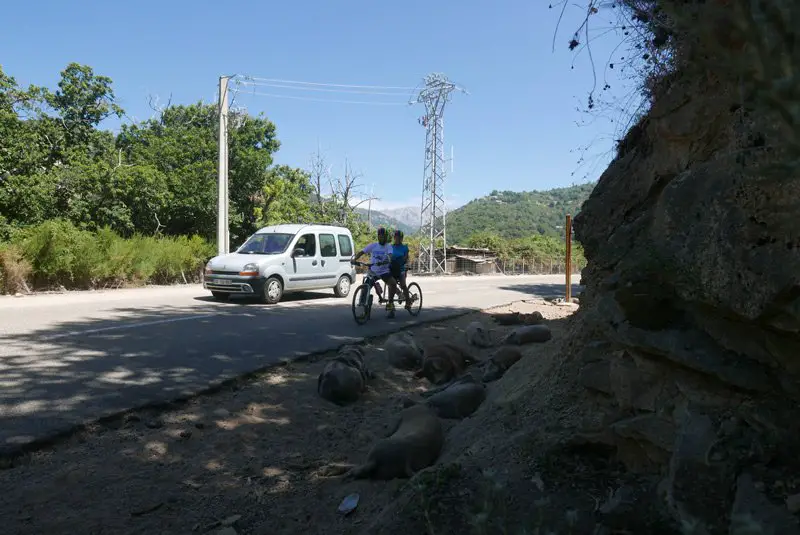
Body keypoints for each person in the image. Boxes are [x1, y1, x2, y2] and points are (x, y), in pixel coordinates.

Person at [351, 227, 403, 318]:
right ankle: (363, 310)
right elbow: (362, 252)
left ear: (386, 237)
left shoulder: (388, 246)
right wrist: (354, 259)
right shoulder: (373, 245)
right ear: (378, 237)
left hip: (384, 271)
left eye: (383, 236)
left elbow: (390, 256)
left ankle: (390, 304)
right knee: (365, 288)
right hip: (373, 271)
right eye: (380, 236)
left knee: (393, 284)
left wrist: (386, 260)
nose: (381, 238)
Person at [390, 230, 412, 312]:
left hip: (401, 269)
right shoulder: (391, 247)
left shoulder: (404, 247)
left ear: (402, 239)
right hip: (392, 269)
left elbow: (405, 257)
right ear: (394, 238)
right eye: (396, 237)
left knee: (403, 285)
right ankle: (397, 297)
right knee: (390, 285)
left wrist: (400, 261)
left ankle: (408, 301)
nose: (397, 239)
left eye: (399, 238)